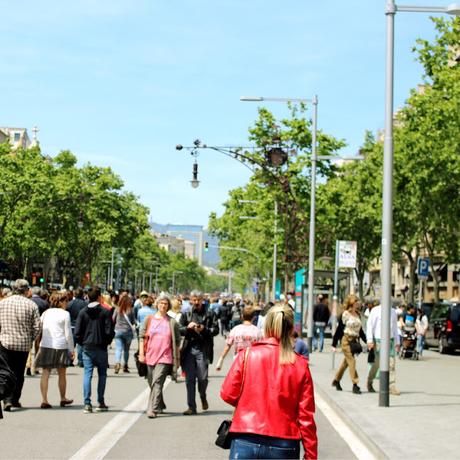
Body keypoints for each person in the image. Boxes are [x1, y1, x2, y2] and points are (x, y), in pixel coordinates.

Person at [221, 304, 317, 460]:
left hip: (246, 437)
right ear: (291, 328)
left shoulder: (247, 355)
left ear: (267, 325)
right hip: (284, 442)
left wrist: (248, 403)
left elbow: (227, 394)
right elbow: (306, 417)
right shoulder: (300, 364)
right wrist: (311, 455)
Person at [0, 279, 40, 411]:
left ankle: (7, 399)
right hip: (23, 344)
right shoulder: (31, 305)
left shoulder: (3, 303)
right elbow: (37, 327)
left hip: (5, 342)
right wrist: (30, 339)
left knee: (6, 371)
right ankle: (15, 398)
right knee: (19, 372)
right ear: (27, 290)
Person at [138, 295, 181, 418]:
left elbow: (177, 343)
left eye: (166, 304)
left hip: (165, 357)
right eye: (161, 303)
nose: (163, 305)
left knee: (157, 382)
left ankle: (153, 408)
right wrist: (141, 353)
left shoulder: (172, 322)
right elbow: (141, 337)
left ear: (168, 306)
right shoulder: (149, 319)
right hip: (150, 355)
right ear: (157, 304)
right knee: (151, 381)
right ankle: (160, 403)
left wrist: (177, 359)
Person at [75, 286, 115, 413]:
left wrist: (82, 343)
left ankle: (87, 403)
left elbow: (77, 332)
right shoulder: (105, 312)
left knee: (88, 374)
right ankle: (100, 401)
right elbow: (110, 331)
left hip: (87, 346)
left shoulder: (82, 312)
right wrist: (107, 342)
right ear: (99, 297)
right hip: (101, 347)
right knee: (102, 375)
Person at [179, 290, 219, 415]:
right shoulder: (186, 313)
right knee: (189, 380)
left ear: (203, 299)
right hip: (189, 349)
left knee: (203, 378)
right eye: (194, 300)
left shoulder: (210, 313)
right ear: (191, 300)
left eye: (199, 300)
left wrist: (204, 329)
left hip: (203, 349)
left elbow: (216, 330)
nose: (196, 302)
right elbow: (179, 329)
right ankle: (191, 407)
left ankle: (202, 396)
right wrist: (187, 327)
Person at [34, 291, 74, 409]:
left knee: (45, 372)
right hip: (61, 345)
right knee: (62, 374)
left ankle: (44, 399)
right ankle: (63, 398)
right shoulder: (65, 314)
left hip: (46, 345)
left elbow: (39, 328)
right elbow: (68, 334)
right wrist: (71, 349)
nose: (67, 303)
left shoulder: (45, 313)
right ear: (60, 302)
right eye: (66, 300)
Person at [331, 294, 366, 394]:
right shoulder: (345, 314)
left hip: (355, 341)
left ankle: (336, 380)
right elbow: (339, 329)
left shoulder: (358, 315)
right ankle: (355, 384)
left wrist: (367, 341)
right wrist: (334, 343)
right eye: (356, 301)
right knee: (352, 361)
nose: (358, 303)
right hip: (346, 340)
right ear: (351, 303)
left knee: (346, 363)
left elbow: (361, 331)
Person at [366, 300, 401, 395]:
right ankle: (369, 381)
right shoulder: (375, 310)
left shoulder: (393, 311)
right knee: (377, 364)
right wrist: (369, 340)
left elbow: (395, 327)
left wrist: (397, 341)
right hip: (378, 340)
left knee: (391, 364)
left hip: (390, 340)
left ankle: (391, 386)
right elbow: (370, 325)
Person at [215, 305, 262, 371]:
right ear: (253, 317)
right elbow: (261, 349)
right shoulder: (257, 331)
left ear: (242, 317)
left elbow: (227, 346)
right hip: (252, 361)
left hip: (238, 360)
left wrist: (220, 360)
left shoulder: (235, 329)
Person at [112, 295, 135, 374]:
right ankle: (125, 365)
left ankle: (117, 362)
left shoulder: (117, 309)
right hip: (128, 332)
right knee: (126, 350)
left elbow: (113, 319)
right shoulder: (130, 310)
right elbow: (133, 322)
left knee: (118, 348)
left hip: (118, 331)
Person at [67, 287, 88, 367]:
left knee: (71, 344)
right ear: (82, 294)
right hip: (82, 327)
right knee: (80, 344)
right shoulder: (85, 304)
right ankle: (80, 361)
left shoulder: (70, 303)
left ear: (75, 294)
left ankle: (69, 360)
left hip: (71, 326)